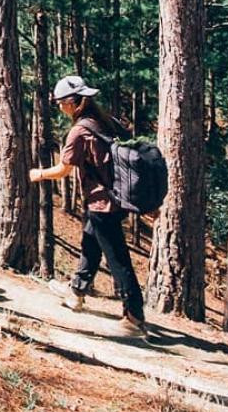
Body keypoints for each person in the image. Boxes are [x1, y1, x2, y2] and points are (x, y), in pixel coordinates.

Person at [30, 74, 147, 336]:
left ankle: (134, 317)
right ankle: (77, 292)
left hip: (102, 204)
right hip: (115, 200)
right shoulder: (108, 122)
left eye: (61, 103)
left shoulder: (80, 130)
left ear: (74, 102)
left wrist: (38, 174)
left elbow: (63, 169)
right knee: (90, 243)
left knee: (118, 260)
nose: (59, 108)